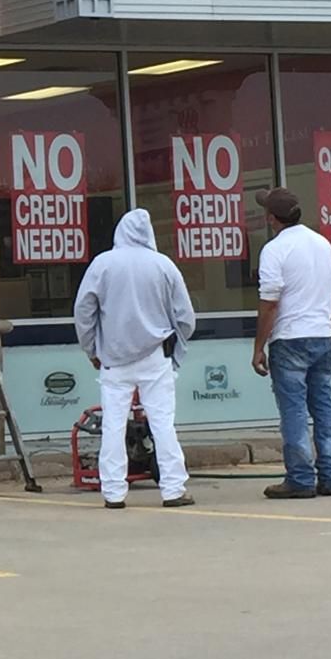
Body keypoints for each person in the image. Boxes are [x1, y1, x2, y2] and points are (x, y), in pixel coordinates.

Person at [73, 208, 197, 509]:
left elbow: (83, 312)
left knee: (114, 425)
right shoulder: (163, 265)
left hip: (114, 359)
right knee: (162, 423)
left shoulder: (102, 264)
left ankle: (113, 492)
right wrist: (175, 344)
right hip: (156, 356)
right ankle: (173, 489)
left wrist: (92, 349)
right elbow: (186, 317)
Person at [252, 186, 331, 498]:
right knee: (324, 408)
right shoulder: (323, 245)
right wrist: (328, 330)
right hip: (322, 336)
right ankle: (330, 476)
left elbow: (270, 303)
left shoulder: (275, 250)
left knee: (294, 411)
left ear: (272, 218)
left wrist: (258, 346)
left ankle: (301, 479)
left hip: (290, 339)